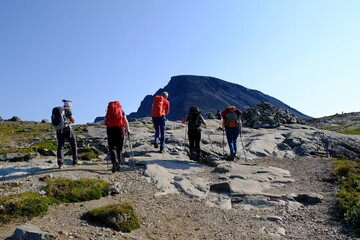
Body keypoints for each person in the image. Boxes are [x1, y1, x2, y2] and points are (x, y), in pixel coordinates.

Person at [103, 100, 130, 173]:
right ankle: (119, 166)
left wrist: (108, 124)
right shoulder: (121, 111)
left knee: (112, 147)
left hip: (110, 129)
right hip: (120, 129)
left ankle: (114, 162)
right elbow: (125, 121)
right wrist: (128, 130)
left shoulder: (109, 112)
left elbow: (104, 122)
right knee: (119, 148)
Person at [56, 99, 78, 168]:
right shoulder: (68, 110)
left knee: (60, 146)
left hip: (59, 130)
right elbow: (73, 120)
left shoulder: (59, 110)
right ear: (69, 105)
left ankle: (60, 163)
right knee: (73, 144)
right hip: (67, 129)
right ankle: (75, 161)